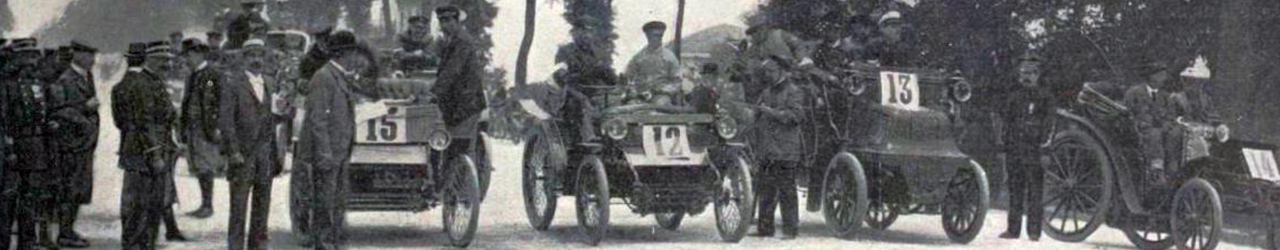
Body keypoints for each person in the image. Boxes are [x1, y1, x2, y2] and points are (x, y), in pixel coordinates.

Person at [298, 31, 369, 250]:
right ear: (343, 54)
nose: (356, 58)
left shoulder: (337, 76)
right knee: (325, 202)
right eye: (353, 53)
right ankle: (324, 243)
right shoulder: (324, 77)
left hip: (339, 150)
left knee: (336, 202)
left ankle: (332, 242)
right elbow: (317, 119)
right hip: (328, 152)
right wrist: (324, 153)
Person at [112, 41, 180, 250]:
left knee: (153, 204)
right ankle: (136, 245)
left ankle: (146, 244)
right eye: (162, 60)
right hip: (145, 154)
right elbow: (145, 122)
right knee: (138, 205)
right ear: (150, 59)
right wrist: (155, 155)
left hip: (152, 150)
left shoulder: (153, 82)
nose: (166, 65)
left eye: (167, 60)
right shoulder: (143, 83)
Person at [220, 39, 286, 250]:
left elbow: (277, 117)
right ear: (244, 58)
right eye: (251, 55)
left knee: (262, 205)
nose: (256, 60)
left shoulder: (270, 83)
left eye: (259, 55)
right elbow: (226, 122)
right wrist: (233, 152)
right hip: (243, 154)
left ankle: (256, 247)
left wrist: (285, 108)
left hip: (265, 153)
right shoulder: (233, 84)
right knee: (238, 207)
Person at [3, 38, 60, 250]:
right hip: (15, 146)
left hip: (36, 146)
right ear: (16, 58)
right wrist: (9, 149)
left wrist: (49, 126)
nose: (30, 62)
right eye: (25, 57)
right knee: (8, 199)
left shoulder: (37, 85)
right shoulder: (6, 86)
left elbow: (41, 115)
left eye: (32, 57)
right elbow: (4, 120)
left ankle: (27, 244)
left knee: (31, 197)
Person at [48, 40, 99, 248]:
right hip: (71, 143)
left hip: (84, 143)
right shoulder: (65, 79)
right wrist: (84, 109)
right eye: (88, 55)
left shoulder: (86, 76)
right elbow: (58, 109)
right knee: (69, 189)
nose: (93, 60)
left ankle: (68, 230)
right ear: (77, 55)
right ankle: (64, 233)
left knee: (79, 189)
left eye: (93, 55)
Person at [750, 56, 806, 240]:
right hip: (767, 149)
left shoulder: (793, 91)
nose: (768, 75)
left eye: (771, 71)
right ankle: (765, 229)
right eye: (765, 72)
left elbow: (796, 116)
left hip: (786, 150)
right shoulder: (766, 91)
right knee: (766, 189)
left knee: (787, 191)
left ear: (782, 71)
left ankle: (790, 230)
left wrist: (772, 113)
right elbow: (757, 115)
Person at [999, 53, 1052, 241]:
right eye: (1023, 72)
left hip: (1034, 149)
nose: (1026, 76)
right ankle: (1013, 230)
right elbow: (1007, 121)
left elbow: (1048, 123)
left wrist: (1045, 146)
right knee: (1015, 190)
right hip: (1014, 148)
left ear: (1038, 75)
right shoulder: (1014, 96)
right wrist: (1005, 144)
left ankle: (1034, 232)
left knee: (1035, 192)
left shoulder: (1045, 97)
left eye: (1031, 73)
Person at [178, 38, 223, 219]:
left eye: (189, 55)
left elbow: (217, 100)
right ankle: (204, 204)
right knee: (197, 165)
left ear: (199, 54)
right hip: (193, 126)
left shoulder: (211, 74)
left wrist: (217, 126)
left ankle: (207, 205)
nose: (186, 59)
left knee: (205, 166)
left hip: (205, 127)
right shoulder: (193, 75)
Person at [1123, 59, 1183, 186]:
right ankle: (1156, 171)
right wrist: (1139, 123)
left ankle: (1173, 167)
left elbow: (1171, 115)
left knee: (1176, 132)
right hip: (1139, 131)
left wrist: (1168, 124)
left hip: (1160, 130)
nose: (1164, 79)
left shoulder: (1166, 96)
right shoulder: (1134, 92)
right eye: (1161, 75)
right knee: (1154, 134)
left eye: (1164, 75)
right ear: (1151, 76)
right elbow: (1126, 112)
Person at [622, 21, 682, 105]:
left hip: (662, 96)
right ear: (648, 36)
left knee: (660, 105)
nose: (658, 38)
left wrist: (663, 90)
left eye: (660, 36)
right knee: (631, 106)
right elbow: (628, 77)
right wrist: (632, 91)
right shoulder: (638, 57)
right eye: (655, 36)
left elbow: (677, 82)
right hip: (640, 95)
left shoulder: (670, 57)